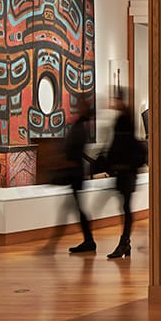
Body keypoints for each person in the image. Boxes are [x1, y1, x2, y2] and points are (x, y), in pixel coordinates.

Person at [104, 88, 145, 259]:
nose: (112, 102)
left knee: (126, 208)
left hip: (125, 171)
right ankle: (124, 243)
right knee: (126, 207)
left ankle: (124, 243)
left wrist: (110, 163)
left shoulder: (123, 119)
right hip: (126, 171)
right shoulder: (125, 118)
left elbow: (120, 145)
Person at [63, 101, 96, 254]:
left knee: (76, 207)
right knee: (73, 207)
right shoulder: (83, 126)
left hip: (74, 171)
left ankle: (89, 240)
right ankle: (88, 239)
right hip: (76, 171)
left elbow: (75, 148)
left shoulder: (81, 126)